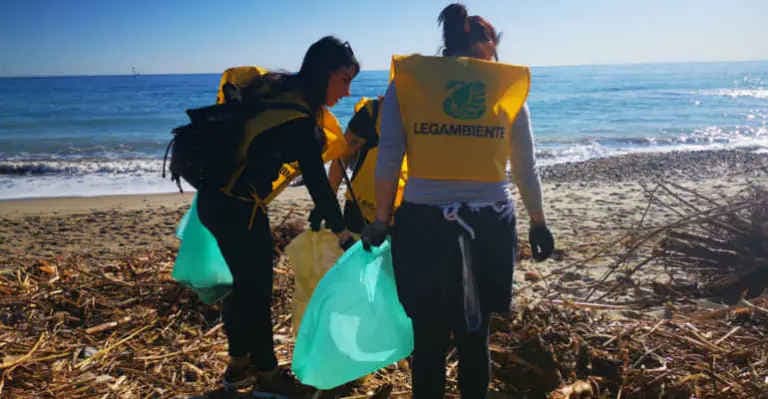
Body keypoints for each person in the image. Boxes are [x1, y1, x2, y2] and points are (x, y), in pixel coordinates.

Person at [361, 4, 555, 398]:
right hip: (489, 225)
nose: (495, 59)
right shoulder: (504, 86)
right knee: (474, 333)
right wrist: (538, 222)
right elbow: (524, 167)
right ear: (484, 45)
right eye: (493, 50)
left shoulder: (408, 83)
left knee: (428, 338)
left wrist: (381, 220)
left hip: (422, 226)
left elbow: (389, 157)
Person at [196, 36, 359, 394]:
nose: (347, 92)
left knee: (243, 290)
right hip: (238, 208)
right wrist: (343, 231)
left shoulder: (278, 91)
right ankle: (267, 377)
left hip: (217, 200)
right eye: (345, 80)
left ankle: (239, 368)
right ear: (325, 73)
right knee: (256, 293)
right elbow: (317, 182)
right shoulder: (297, 117)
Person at [311, 96, 407, 233]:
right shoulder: (373, 112)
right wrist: (326, 203)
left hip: (406, 212)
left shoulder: (433, 117)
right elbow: (343, 155)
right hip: (361, 210)